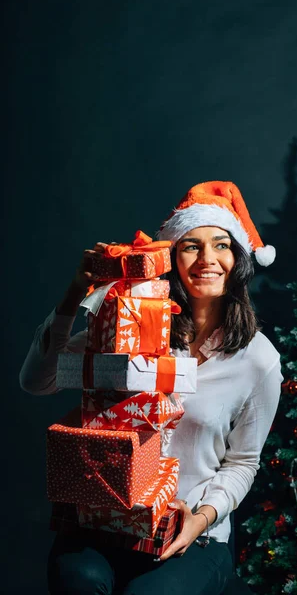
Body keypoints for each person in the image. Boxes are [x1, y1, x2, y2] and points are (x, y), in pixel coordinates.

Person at [20, 180, 283, 595]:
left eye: (221, 245)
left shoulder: (258, 360)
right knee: (78, 581)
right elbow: (37, 381)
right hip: (104, 515)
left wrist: (202, 517)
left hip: (191, 525)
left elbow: (243, 463)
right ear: (171, 258)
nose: (207, 259)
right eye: (191, 246)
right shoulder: (130, 327)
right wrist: (75, 296)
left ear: (240, 258)